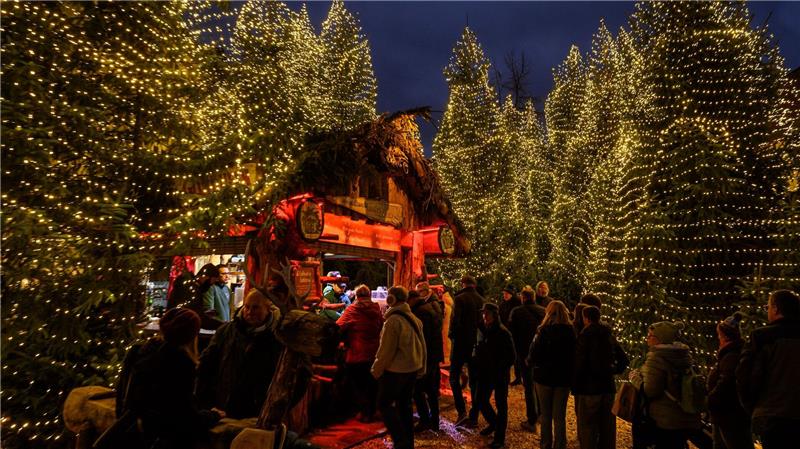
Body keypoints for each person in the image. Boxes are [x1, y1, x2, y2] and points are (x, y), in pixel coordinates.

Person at [115, 308, 223, 449]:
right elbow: (183, 416)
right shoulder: (180, 363)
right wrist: (213, 416)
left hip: (137, 433)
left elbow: (122, 394)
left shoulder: (139, 351)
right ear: (191, 335)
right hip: (163, 438)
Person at [197, 289, 283, 419]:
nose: (249, 312)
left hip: (254, 412)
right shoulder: (227, 331)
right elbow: (206, 364)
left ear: (268, 309)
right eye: (247, 307)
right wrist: (205, 402)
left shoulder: (277, 338)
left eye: (255, 308)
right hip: (221, 406)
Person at [736, 289, 800, 449]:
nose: (768, 311)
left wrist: (752, 406)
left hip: (771, 413)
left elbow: (744, 374)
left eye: (768, 307)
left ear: (776, 309)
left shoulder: (762, 337)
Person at [629, 321, 701, 449]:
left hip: (665, 418)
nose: (647, 338)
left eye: (651, 336)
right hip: (683, 415)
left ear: (660, 339)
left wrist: (634, 378)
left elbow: (650, 390)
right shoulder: (683, 355)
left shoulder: (657, 358)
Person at [372, 286, 426, 449]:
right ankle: (407, 443)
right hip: (412, 369)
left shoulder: (393, 321)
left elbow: (385, 350)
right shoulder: (414, 318)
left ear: (392, 300)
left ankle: (400, 440)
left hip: (396, 372)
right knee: (405, 406)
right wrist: (421, 366)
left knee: (384, 404)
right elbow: (422, 345)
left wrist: (376, 369)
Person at [573, 305, 628, 449]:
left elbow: (580, 363)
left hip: (589, 388)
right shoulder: (608, 334)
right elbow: (624, 359)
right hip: (608, 387)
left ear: (586, 318)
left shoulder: (585, 335)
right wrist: (613, 370)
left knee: (588, 427)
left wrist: (576, 384)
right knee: (608, 427)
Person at [527, 300, 575, 449]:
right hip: (563, 378)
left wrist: (532, 362)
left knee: (546, 415)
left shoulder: (543, 331)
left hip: (544, 377)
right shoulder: (571, 332)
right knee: (559, 416)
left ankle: (546, 444)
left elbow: (534, 354)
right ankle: (560, 445)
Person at [337, 284, 384, 423]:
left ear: (356, 296)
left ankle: (364, 414)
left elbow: (338, 326)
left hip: (357, 354)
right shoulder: (376, 309)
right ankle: (373, 410)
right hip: (374, 353)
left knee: (359, 386)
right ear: (369, 295)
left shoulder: (352, 309)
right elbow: (381, 325)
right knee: (372, 383)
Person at [471, 303, 516, 449]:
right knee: (480, 400)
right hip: (485, 373)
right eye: (483, 313)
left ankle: (499, 439)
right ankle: (494, 424)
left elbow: (511, 357)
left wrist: (498, 367)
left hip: (498, 375)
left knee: (501, 405)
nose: (484, 316)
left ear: (494, 316)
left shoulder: (503, 333)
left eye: (487, 314)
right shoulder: (484, 330)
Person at [707, 312, 753, 449]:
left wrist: (711, 398)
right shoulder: (728, 354)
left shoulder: (732, 355)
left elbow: (727, 381)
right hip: (724, 413)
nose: (718, 339)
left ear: (725, 336)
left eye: (719, 335)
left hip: (730, 414)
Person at [450, 274, 485, 426]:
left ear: (463, 283)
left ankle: (461, 411)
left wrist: (452, 336)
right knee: (475, 381)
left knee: (453, 377)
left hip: (460, 345)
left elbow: (455, 322)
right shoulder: (481, 300)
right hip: (475, 346)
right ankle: (474, 416)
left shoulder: (459, 299)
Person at [508, 289, 546, 432]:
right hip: (541, 354)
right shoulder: (543, 311)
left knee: (529, 387)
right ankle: (541, 414)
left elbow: (512, 333)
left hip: (524, 353)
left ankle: (532, 419)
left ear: (523, 298)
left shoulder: (517, 312)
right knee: (539, 385)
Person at [409, 289, 444, 432]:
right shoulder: (431, 307)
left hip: (427, 356)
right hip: (434, 355)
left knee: (418, 390)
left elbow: (423, 337)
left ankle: (425, 421)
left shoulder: (420, 312)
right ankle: (434, 421)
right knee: (431, 390)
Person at [499, 285, 522, 386]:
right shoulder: (503, 304)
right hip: (505, 332)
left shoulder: (517, 304)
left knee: (517, 356)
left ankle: (518, 376)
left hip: (515, 333)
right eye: (504, 293)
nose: (505, 295)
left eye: (507, 293)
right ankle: (510, 377)